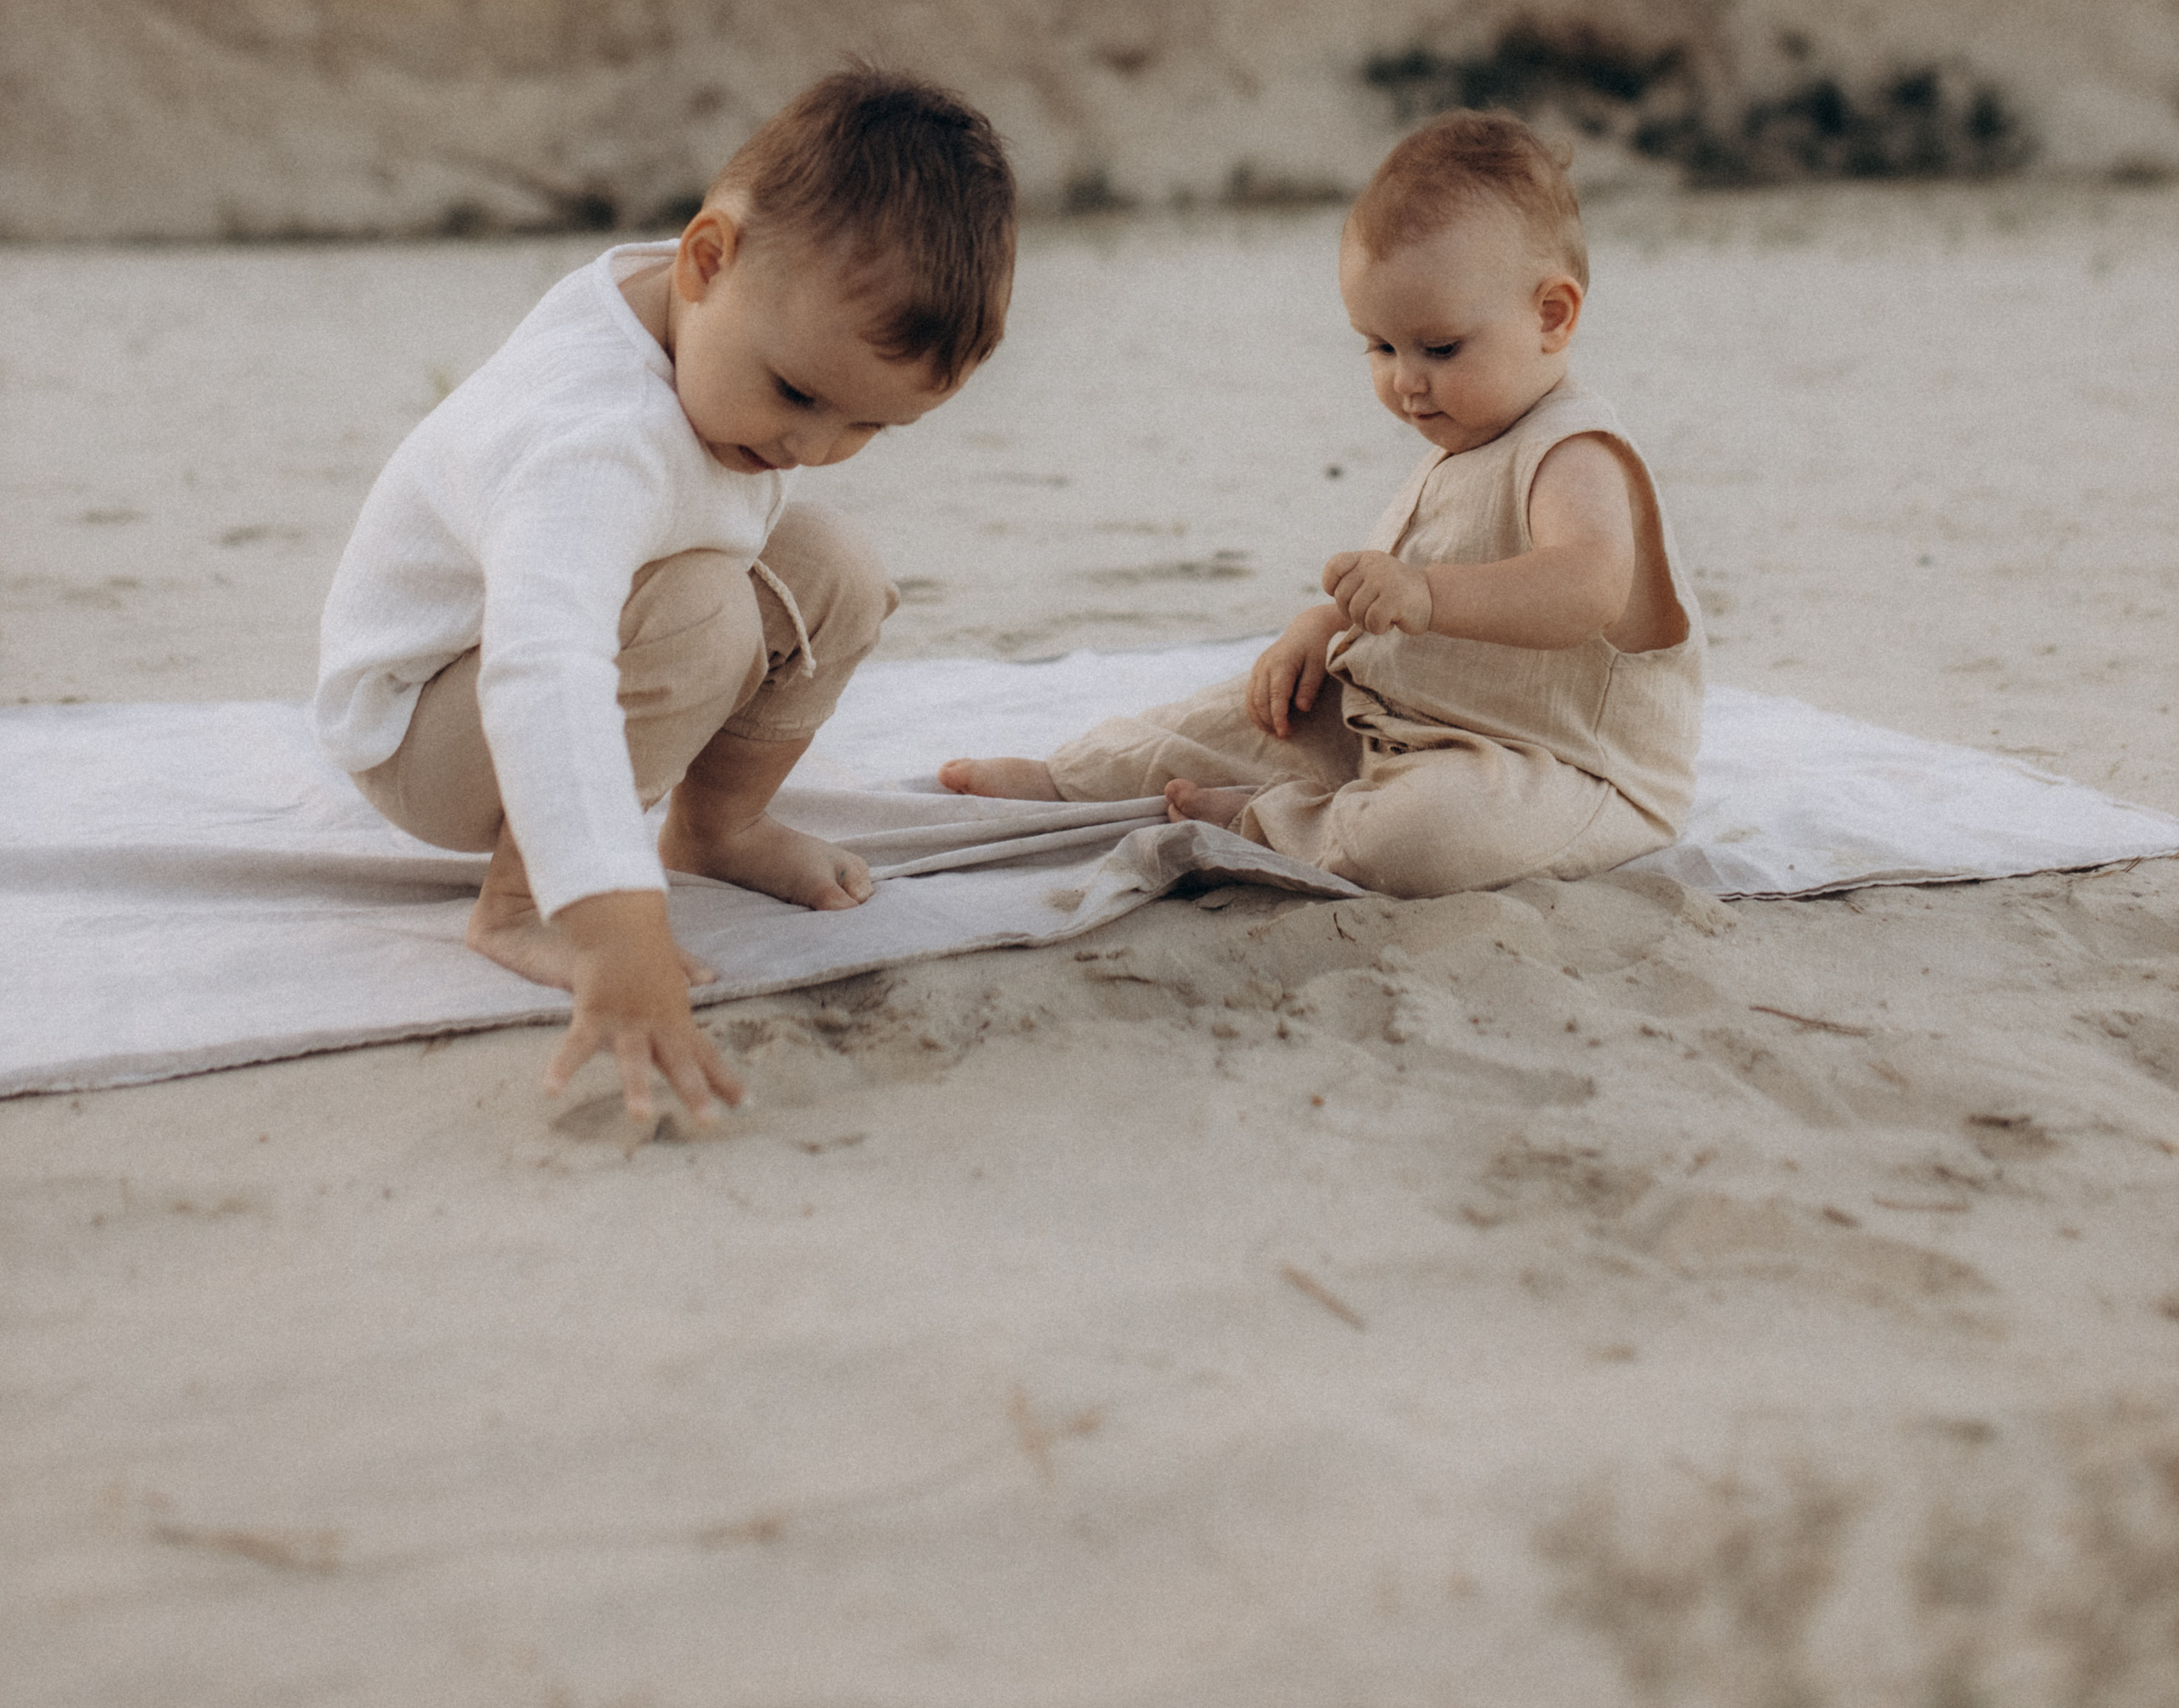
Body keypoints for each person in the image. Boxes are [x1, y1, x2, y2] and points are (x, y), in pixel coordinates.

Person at [315, 66, 1015, 1130]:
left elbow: (785, 473)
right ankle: (517, 903)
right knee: (700, 616)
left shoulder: (722, 311)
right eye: (796, 394)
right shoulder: (590, 438)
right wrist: (615, 920)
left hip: (526, 669)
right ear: (704, 260)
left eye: (867, 428)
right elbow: (540, 664)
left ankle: (715, 827)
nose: (807, 446)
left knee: (838, 572)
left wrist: (791, 404)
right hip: (426, 727)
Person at [942, 109, 1701, 898]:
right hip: (1405, 727)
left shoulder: (1574, 451)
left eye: (1438, 348)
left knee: (1425, 834)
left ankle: (1273, 821)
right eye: (1379, 347)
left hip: (1559, 770)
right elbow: (1402, 598)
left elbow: (1587, 587)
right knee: (1239, 715)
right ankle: (1074, 781)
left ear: (1552, 316)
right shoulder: (1467, 444)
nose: (1406, 380)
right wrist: (1320, 628)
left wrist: (1427, 595)